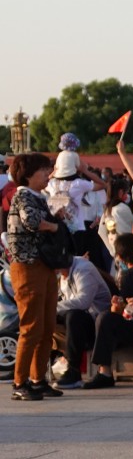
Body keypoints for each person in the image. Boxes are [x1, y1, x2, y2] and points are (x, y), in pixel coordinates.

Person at [7, 153, 65, 401]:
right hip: (28, 266)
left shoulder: (36, 196)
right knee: (31, 327)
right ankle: (20, 382)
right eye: (43, 170)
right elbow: (31, 221)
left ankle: (37, 379)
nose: (48, 175)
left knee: (46, 326)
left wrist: (55, 219)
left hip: (43, 266)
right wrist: (54, 226)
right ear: (29, 175)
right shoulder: (23, 196)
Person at [86, 233, 133, 389]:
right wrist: (119, 306)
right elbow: (126, 310)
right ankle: (104, 372)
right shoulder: (129, 275)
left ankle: (105, 371)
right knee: (105, 318)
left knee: (106, 319)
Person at [54, 249, 110, 389]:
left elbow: (83, 302)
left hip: (97, 321)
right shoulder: (62, 275)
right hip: (80, 318)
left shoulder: (83, 269)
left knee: (74, 316)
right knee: (42, 317)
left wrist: (53, 307)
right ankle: (36, 370)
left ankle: (74, 372)